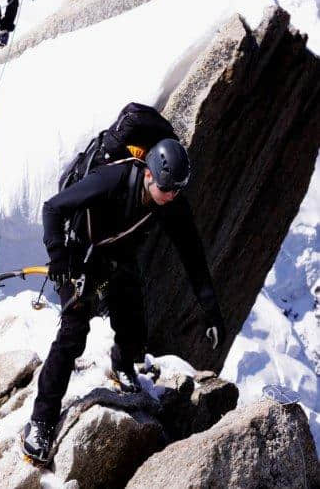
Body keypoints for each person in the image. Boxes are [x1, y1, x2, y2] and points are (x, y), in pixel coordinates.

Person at [22, 138, 226, 463]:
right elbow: (53, 207)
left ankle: (122, 364)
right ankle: (41, 421)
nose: (172, 195)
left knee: (133, 324)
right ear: (149, 175)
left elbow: (193, 256)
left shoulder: (170, 201)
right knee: (73, 336)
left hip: (115, 261)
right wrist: (58, 256)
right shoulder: (113, 179)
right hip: (78, 256)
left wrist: (211, 311)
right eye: (167, 188)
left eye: (177, 189)